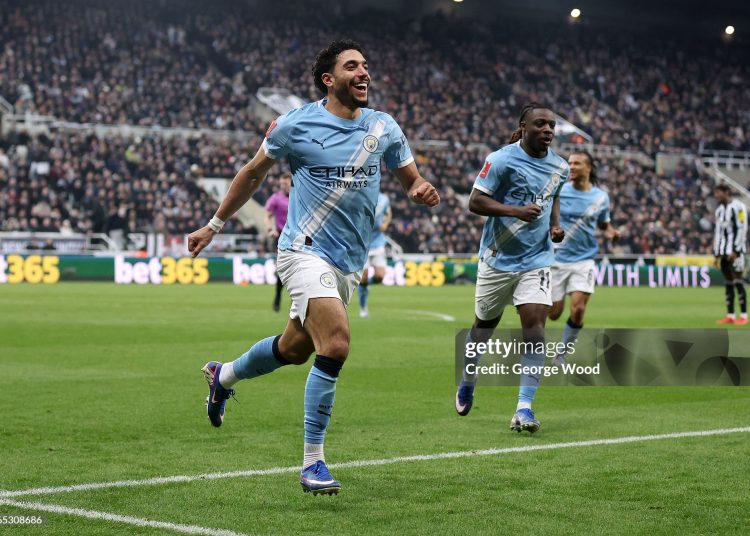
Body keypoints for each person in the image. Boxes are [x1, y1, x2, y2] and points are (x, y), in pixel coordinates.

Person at [187, 39, 440, 495]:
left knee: (296, 348)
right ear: (329, 79)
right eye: (352, 67)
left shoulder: (384, 127)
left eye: (366, 65)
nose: (364, 73)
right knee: (337, 344)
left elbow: (410, 177)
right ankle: (312, 463)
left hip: (348, 261)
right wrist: (214, 224)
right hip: (302, 250)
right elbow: (252, 173)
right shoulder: (295, 124)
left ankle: (221, 375)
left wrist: (420, 187)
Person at [454, 102, 567, 434]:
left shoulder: (560, 166)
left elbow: (554, 196)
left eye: (552, 126)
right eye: (541, 124)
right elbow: (475, 201)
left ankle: (524, 408)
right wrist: (515, 211)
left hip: (537, 260)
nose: (548, 130)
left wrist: (555, 226)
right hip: (497, 259)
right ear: (524, 126)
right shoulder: (500, 159)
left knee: (534, 329)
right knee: (483, 327)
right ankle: (468, 377)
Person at [548, 151, 619, 363]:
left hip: (584, 260)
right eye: (569, 163)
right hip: (556, 259)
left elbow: (603, 225)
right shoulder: (559, 191)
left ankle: (561, 354)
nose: (571, 166)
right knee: (554, 313)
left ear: (588, 168)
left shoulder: (600, 197)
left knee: (578, 308)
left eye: (577, 163)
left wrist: (612, 233)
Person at [713, 184, 747, 325]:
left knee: (738, 281)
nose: (716, 195)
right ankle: (730, 315)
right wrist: (716, 255)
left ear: (727, 193)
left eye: (718, 192)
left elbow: (742, 228)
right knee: (728, 283)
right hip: (723, 252)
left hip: (735, 252)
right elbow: (718, 233)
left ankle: (744, 316)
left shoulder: (738, 207)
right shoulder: (719, 211)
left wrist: (736, 250)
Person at [358, 191, 391, 317]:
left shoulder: (384, 198)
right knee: (364, 277)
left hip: (378, 242)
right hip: (362, 243)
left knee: (380, 276)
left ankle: (364, 285)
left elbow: (389, 213)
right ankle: (363, 308)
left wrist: (386, 223)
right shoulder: (359, 195)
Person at [265, 172, 291, 312]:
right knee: (282, 269)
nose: (283, 186)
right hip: (282, 235)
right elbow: (267, 215)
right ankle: (278, 295)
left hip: (298, 235)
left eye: (285, 184)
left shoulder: (298, 195)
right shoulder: (276, 198)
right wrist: (270, 229)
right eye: (281, 184)